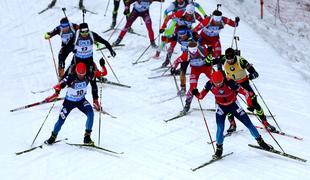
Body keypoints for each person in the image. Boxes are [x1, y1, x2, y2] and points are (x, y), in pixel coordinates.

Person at [192, 71, 273, 158]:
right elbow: (201, 96)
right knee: (220, 128)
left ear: (223, 79)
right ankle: (219, 150)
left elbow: (245, 92)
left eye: (220, 83)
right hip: (221, 107)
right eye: (216, 83)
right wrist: (196, 93)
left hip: (234, 105)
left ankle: (261, 143)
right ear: (212, 81)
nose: (218, 85)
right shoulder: (209, 84)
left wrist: (250, 104)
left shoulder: (230, 82)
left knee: (249, 124)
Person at [44, 62, 107, 145]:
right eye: (79, 74)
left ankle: (87, 137)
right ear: (76, 72)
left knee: (91, 113)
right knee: (61, 120)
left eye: (83, 74)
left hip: (81, 101)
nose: (81, 76)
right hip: (69, 102)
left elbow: (104, 73)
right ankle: (53, 137)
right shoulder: (71, 77)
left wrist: (102, 65)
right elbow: (59, 85)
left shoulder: (89, 74)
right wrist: (58, 88)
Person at [214, 48, 276, 133]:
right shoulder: (224, 59)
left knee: (254, 102)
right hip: (231, 84)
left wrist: (252, 75)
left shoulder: (241, 61)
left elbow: (254, 73)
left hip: (243, 83)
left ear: (235, 57)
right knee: (228, 104)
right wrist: (219, 69)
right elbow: (214, 61)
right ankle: (232, 123)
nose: (230, 62)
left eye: (232, 60)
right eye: (228, 60)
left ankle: (265, 122)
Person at [68, 22, 116, 111]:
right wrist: (72, 49)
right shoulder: (76, 36)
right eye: (83, 32)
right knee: (71, 78)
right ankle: (64, 93)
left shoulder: (92, 35)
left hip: (89, 62)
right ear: (80, 31)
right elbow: (67, 47)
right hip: (78, 62)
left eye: (86, 31)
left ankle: (95, 101)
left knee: (93, 81)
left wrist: (111, 49)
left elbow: (104, 41)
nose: (85, 34)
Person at [170, 41, 213, 114]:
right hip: (195, 70)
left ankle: (222, 101)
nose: (193, 54)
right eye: (191, 52)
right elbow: (177, 61)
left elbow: (213, 55)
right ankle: (187, 105)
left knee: (215, 80)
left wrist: (210, 53)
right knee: (192, 88)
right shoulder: (186, 54)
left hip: (206, 68)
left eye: (195, 51)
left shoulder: (202, 50)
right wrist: (173, 67)